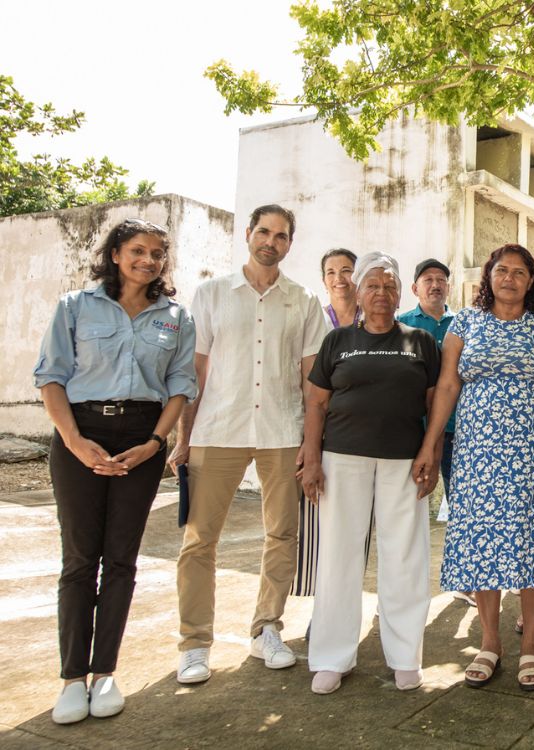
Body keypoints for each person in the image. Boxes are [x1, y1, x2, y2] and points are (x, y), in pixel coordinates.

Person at [34, 218, 198, 724]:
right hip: (80, 433)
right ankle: (71, 680)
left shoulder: (175, 316)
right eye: (137, 250)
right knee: (80, 558)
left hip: (141, 440)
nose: (147, 260)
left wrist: (156, 442)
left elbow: (179, 384)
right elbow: (51, 377)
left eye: (156, 254)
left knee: (121, 558)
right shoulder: (75, 307)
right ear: (115, 254)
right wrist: (74, 441)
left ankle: (105, 672)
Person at [412, 243, 534, 692]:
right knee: (481, 537)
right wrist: (430, 445)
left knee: (532, 540)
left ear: (531, 281)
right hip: (477, 452)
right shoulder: (464, 321)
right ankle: (490, 642)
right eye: (501, 271)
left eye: (520, 272)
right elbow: (447, 384)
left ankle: (530, 646)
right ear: (489, 277)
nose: (509, 278)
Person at [172, 204, 327, 685]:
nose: (271, 241)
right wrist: (183, 436)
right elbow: (194, 370)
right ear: (248, 234)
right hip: (217, 429)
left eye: (281, 236)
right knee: (199, 539)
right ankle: (195, 644)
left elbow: (312, 382)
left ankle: (266, 629)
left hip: (281, 432)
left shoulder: (302, 301)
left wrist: (311, 443)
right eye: (264, 231)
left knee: (282, 535)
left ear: (289, 244)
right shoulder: (213, 293)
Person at [298, 253, 441, 694]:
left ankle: (404, 656)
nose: (382, 293)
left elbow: (435, 404)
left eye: (390, 285)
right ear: (358, 292)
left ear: (402, 293)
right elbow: (316, 403)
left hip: (404, 462)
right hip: (342, 460)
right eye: (373, 285)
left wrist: (430, 452)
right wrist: (311, 456)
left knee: (405, 557)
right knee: (338, 556)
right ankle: (331, 656)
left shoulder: (421, 341)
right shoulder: (337, 341)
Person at [294, 248, 360, 599]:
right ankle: (320, 603)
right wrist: (309, 441)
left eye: (347, 270)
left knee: (357, 527)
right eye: (331, 272)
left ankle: (345, 600)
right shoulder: (313, 319)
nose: (340, 278)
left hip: (360, 434)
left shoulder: (376, 320)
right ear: (323, 280)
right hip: (320, 430)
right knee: (316, 521)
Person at [397, 259, 458, 525]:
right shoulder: (400, 325)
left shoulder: (463, 324)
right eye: (428, 280)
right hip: (414, 425)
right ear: (415, 288)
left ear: (448, 287)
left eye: (441, 280)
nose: (435, 285)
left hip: (456, 426)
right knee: (409, 497)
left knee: (460, 495)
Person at [320, 248, 360, 327]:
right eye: (331, 272)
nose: (338, 278)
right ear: (324, 281)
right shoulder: (316, 318)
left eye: (345, 270)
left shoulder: (371, 317)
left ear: (358, 276)